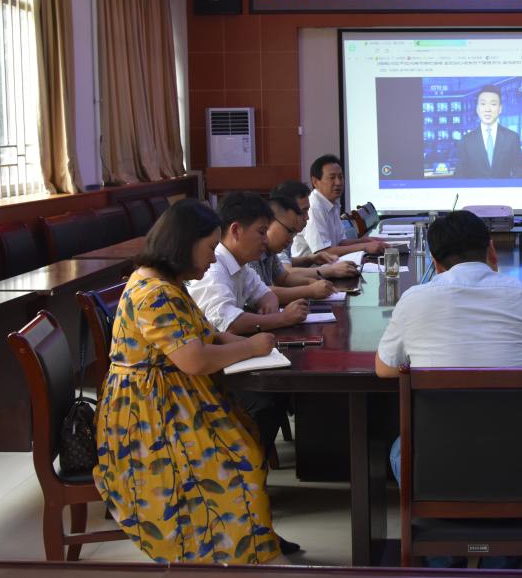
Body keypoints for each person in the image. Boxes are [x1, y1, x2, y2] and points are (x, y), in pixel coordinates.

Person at [375, 210, 522, 569]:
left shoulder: (413, 300)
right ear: (492, 250)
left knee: (403, 450)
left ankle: (444, 552)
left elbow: (385, 368)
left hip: (437, 464)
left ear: (435, 262)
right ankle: (504, 555)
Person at [94, 199, 286, 564]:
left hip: (169, 396)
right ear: (184, 244)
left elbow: (204, 331)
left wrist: (241, 342)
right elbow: (194, 359)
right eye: (209, 248)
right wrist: (250, 347)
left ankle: (241, 544)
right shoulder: (154, 292)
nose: (213, 258)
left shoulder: (169, 282)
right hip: (145, 415)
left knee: (246, 438)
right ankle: (221, 553)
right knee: (238, 458)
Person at [187, 192, 306, 456]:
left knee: (282, 390)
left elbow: (266, 293)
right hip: (209, 369)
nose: (266, 240)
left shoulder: (240, 264)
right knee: (268, 399)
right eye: (261, 232)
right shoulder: (214, 267)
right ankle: (241, 462)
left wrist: (268, 309)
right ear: (236, 231)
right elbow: (229, 323)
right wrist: (279, 319)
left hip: (228, 354)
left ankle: (255, 461)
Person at [248, 195, 349, 303]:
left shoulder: (270, 251)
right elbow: (261, 293)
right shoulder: (251, 250)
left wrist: (311, 282)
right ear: (268, 223)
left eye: (294, 233)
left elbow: (284, 278)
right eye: (289, 231)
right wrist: (309, 290)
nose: (291, 239)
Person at [303, 155, 388, 258]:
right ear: (315, 181)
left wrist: (364, 241)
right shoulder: (314, 208)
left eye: (340, 177)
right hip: (312, 267)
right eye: (332, 178)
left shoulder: (332, 203)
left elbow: (340, 242)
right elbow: (323, 252)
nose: (338, 182)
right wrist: (365, 247)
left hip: (331, 263)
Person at [453, 85, 522, 179]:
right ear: (477, 109)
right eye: (483, 104)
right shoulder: (466, 140)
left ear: (500, 109)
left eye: (493, 104)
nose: (487, 109)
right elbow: (459, 175)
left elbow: (519, 172)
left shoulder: (512, 138)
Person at [270, 180, 340, 270]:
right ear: (286, 211)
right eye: (303, 211)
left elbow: (284, 262)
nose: (307, 217)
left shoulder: (289, 233)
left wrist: (311, 259)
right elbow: (287, 273)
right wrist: (330, 270)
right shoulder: (280, 234)